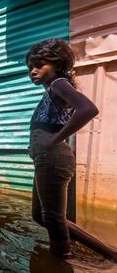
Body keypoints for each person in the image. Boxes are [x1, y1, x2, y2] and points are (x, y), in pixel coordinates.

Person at [27, 38, 117, 260]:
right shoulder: (52, 91)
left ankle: (61, 261)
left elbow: (88, 109)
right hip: (46, 158)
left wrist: (53, 140)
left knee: (53, 218)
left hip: (53, 158)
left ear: (57, 64)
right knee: (41, 216)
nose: (33, 71)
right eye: (30, 66)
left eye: (39, 65)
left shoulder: (58, 84)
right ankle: (109, 253)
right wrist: (37, 147)